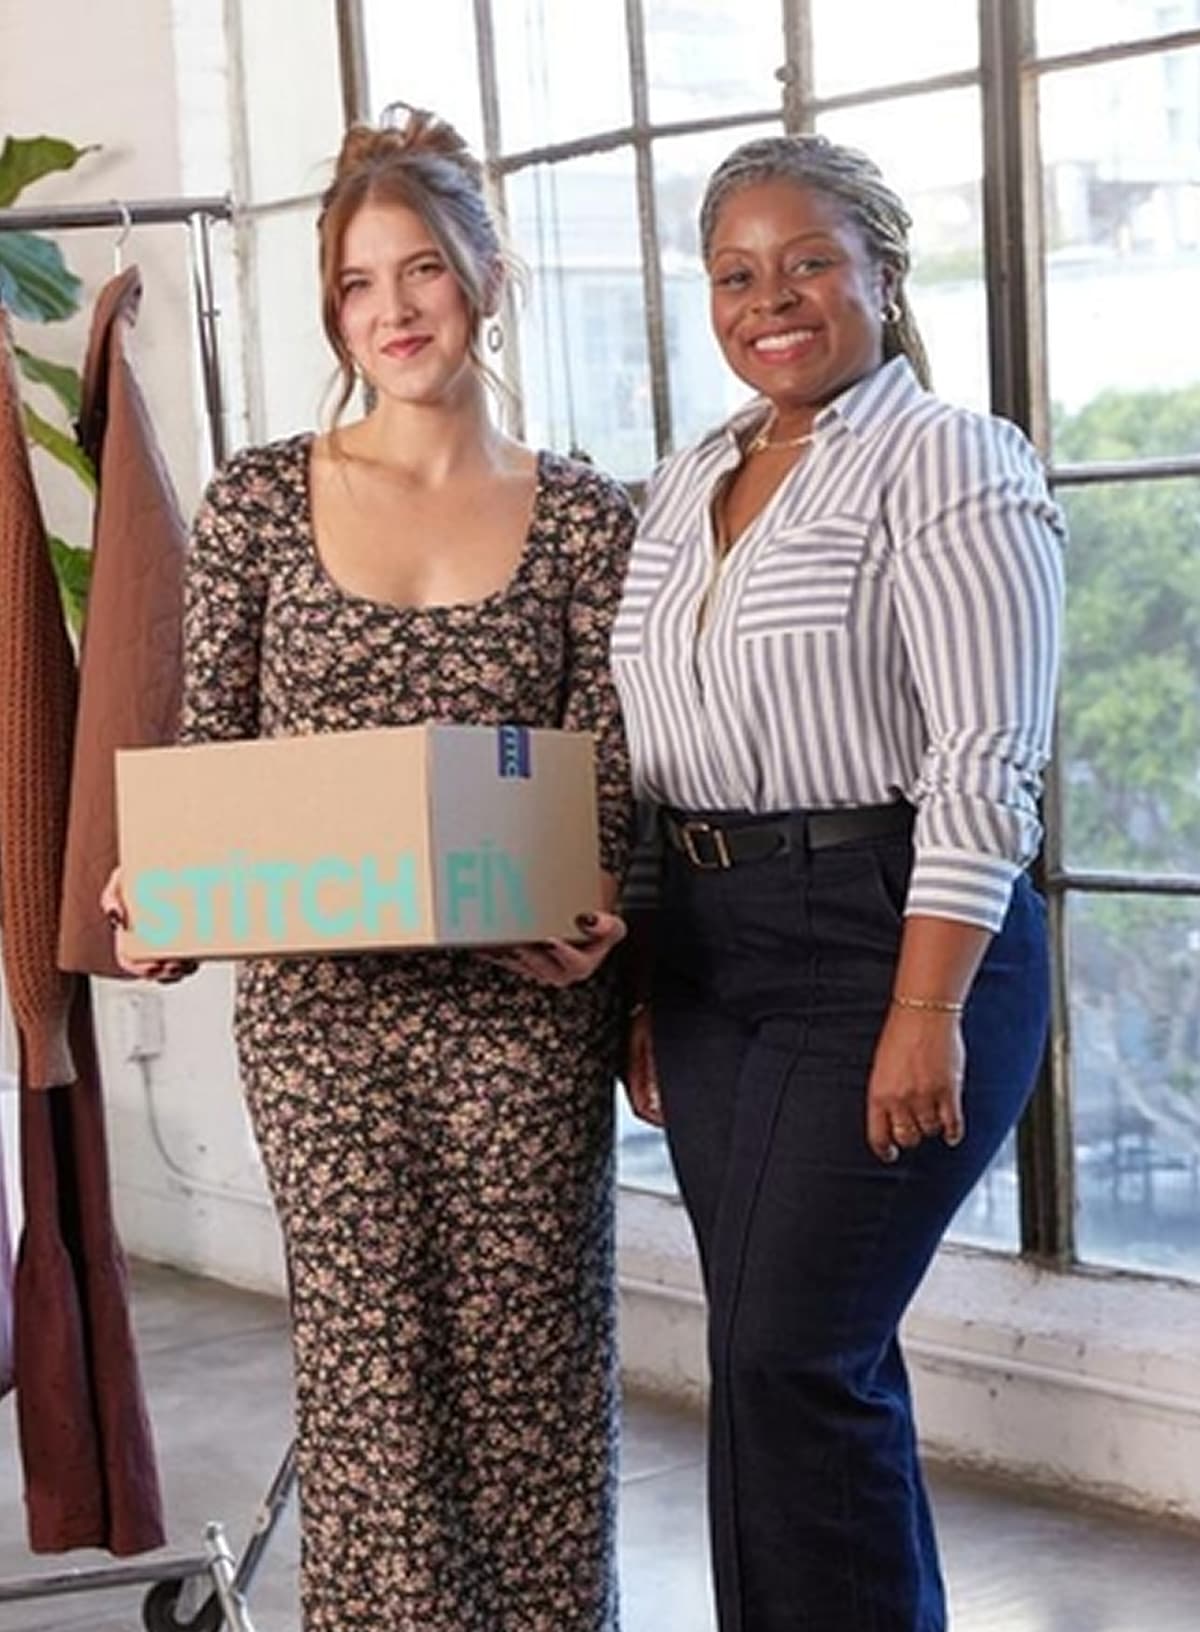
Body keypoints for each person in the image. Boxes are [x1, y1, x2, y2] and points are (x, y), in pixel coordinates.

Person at [104, 109, 634, 1632]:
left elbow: (609, 780)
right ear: (332, 308)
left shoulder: (587, 514)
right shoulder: (259, 503)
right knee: (369, 1396)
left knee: (532, 1373)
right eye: (355, 283)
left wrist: (607, 922)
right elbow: (212, 762)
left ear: (487, 278)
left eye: (422, 272)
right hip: (323, 1019)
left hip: (524, 1018)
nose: (392, 311)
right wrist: (165, 903)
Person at [613, 133, 1065, 1632]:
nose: (772, 299)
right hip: (711, 950)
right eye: (736, 274)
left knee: (788, 1357)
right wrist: (642, 986)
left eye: (810, 261)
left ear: (881, 270)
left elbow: (985, 759)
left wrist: (925, 1003)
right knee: (771, 1350)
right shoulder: (686, 482)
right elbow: (652, 753)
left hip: (888, 933)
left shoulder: (948, 456)